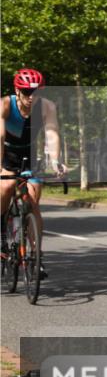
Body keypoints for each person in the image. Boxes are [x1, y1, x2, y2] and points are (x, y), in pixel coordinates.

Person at [1, 68, 67, 273]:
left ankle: (36, 255)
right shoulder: (4, 104)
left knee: (33, 199)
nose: (32, 96)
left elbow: (52, 133)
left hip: (29, 157)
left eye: (36, 91)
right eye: (27, 92)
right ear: (17, 90)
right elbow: (0, 136)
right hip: (6, 155)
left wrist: (56, 161)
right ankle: (2, 230)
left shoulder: (46, 106)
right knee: (7, 186)